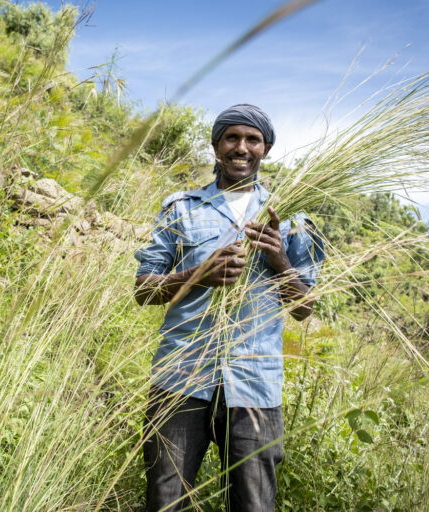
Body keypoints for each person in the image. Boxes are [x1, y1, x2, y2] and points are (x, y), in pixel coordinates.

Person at [134, 104, 325, 512]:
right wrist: (197, 275)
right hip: (181, 379)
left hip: (255, 384)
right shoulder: (181, 208)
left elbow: (305, 308)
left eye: (252, 139)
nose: (242, 147)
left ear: (266, 149)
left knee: (254, 505)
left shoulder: (290, 215)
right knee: (165, 500)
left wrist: (279, 262)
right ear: (216, 146)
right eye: (232, 138)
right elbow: (143, 291)